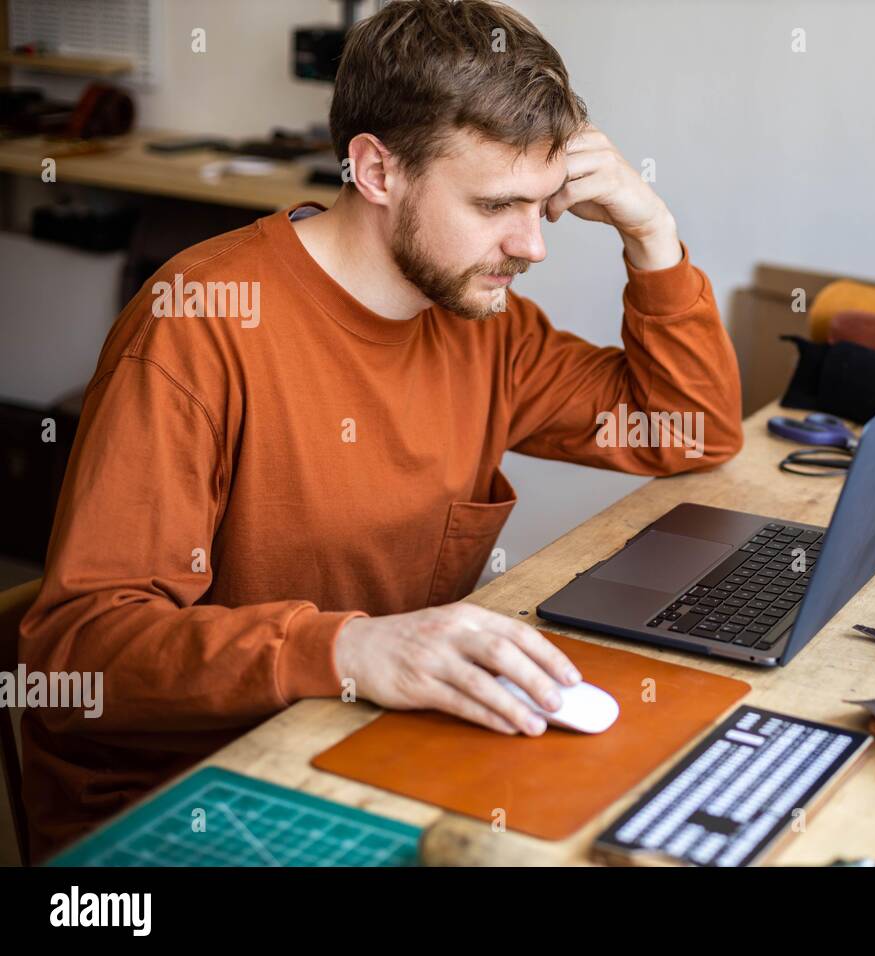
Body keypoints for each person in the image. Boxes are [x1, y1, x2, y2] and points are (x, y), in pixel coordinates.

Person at [19, 0, 742, 861]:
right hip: (196, 793)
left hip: (377, 738)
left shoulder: (484, 323)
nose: (533, 245)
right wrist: (352, 648)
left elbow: (691, 432)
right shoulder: (198, 324)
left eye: (543, 206)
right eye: (495, 205)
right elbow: (76, 659)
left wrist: (649, 233)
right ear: (375, 170)